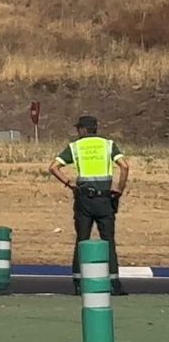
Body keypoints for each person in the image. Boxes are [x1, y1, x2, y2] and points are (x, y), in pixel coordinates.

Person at [48, 114, 130, 296]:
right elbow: (124, 166)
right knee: (108, 241)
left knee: (82, 240)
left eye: (79, 129)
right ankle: (114, 283)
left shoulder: (75, 147)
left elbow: (53, 167)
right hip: (105, 199)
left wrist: (69, 184)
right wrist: (119, 188)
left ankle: (78, 282)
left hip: (84, 200)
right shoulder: (108, 145)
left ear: (84, 130)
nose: (77, 132)